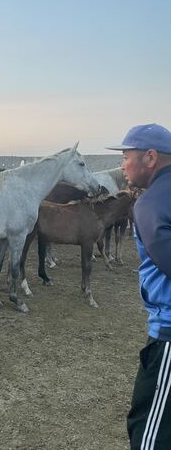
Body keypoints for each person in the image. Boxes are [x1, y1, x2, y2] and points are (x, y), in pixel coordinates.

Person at [107, 123, 171, 450]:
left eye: (125, 156)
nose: (121, 165)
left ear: (149, 157)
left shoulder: (149, 204)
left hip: (169, 336)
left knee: (149, 431)